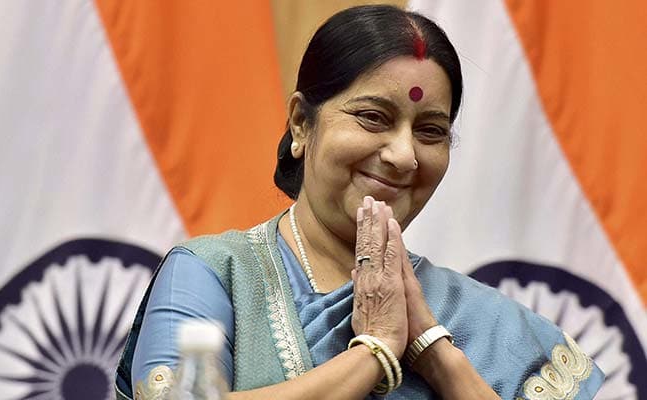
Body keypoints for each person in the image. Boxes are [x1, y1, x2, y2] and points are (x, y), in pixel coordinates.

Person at [115, 5, 604, 400]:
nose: (404, 155)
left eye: (431, 131)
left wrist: (437, 353)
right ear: (301, 123)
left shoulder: (476, 317)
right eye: (373, 117)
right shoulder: (214, 274)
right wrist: (375, 352)